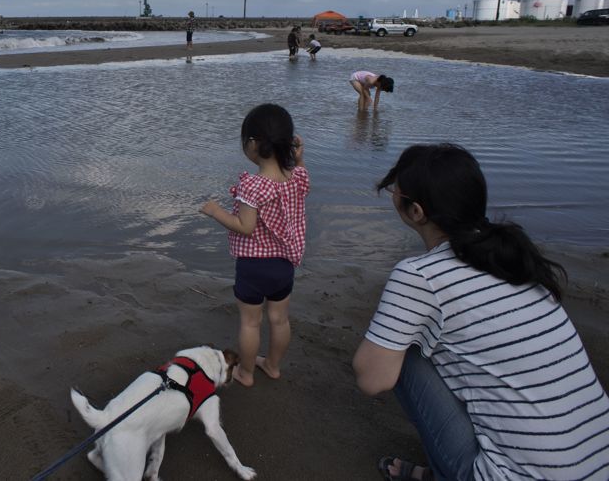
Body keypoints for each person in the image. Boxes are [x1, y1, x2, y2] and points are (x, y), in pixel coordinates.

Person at [353, 144, 609, 481]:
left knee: (403, 352)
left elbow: (372, 380)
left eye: (393, 190)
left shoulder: (419, 276)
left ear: (416, 211)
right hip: (598, 465)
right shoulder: (515, 259)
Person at [200, 104, 310, 387]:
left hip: (254, 266)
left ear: (252, 144)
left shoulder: (255, 185)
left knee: (250, 323)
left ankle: (246, 373)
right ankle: (272, 366)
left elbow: (245, 227)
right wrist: (298, 159)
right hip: (284, 265)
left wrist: (216, 212)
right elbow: (299, 172)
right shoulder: (297, 177)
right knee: (279, 319)